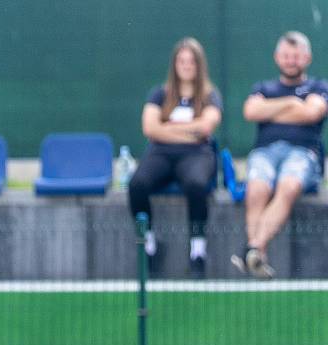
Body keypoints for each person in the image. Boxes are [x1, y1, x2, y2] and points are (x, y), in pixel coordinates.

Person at [231, 31, 328, 279]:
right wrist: (293, 104)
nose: (290, 61)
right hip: (265, 153)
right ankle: (257, 256)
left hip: (303, 154)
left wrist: (271, 109)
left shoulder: (319, 86)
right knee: (257, 188)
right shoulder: (263, 86)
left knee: (288, 185)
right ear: (277, 58)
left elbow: (312, 114)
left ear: (307, 58)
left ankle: (252, 249)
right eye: (286, 55)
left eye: (296, 56)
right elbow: (251, 111)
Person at [128, 37, 223, 279]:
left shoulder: (210, 95)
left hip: (197, 155)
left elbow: (207, 127)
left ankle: (197, 252)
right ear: (175, 64)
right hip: (160, 153)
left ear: (199, 64)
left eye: (191, 61)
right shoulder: (159, 94)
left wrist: (168, 126)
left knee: (196, 185)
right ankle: (149, 245)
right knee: (137, 184)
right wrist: (189, 130)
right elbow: (150, 128)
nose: (186, 65)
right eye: (182, 61)